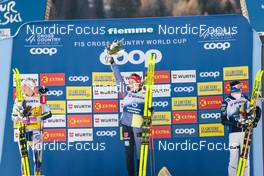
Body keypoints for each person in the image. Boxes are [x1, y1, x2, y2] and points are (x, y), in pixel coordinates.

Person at [105, 41, 147, 176]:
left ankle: (141, 173)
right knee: (128, 152)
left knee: (141, 152)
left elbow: (150, 110)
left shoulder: (145, 94)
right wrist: (112, 62)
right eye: (129, 82)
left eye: (133, 81)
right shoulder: (125, 92)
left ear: (139, 83)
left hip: (139, 126)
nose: (130, 83)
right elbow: (118, 77)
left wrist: (149, 117)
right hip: (127, 125)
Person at [12, 78, 52, 176]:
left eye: (24, 86)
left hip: (36, 131)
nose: (22, 89)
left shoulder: (40, 99)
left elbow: (48, 114)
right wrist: (21, 117)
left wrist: (33, 119)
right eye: (21, 87)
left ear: (30, 87)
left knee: (37, 158)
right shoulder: (19, 100)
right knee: (24, 157)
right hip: (23, 131)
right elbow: (14, 117)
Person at [221, 80, 261, 176]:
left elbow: (256, 109)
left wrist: (255, 121)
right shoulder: (226, 102)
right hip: (234, 134)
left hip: (245, 133)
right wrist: (236, 122)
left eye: (241, 86)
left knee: (245, 159)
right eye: (239, 86)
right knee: (233, 159)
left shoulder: (245, 98)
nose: (241, 88)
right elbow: (223, 120)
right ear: (233, 87)